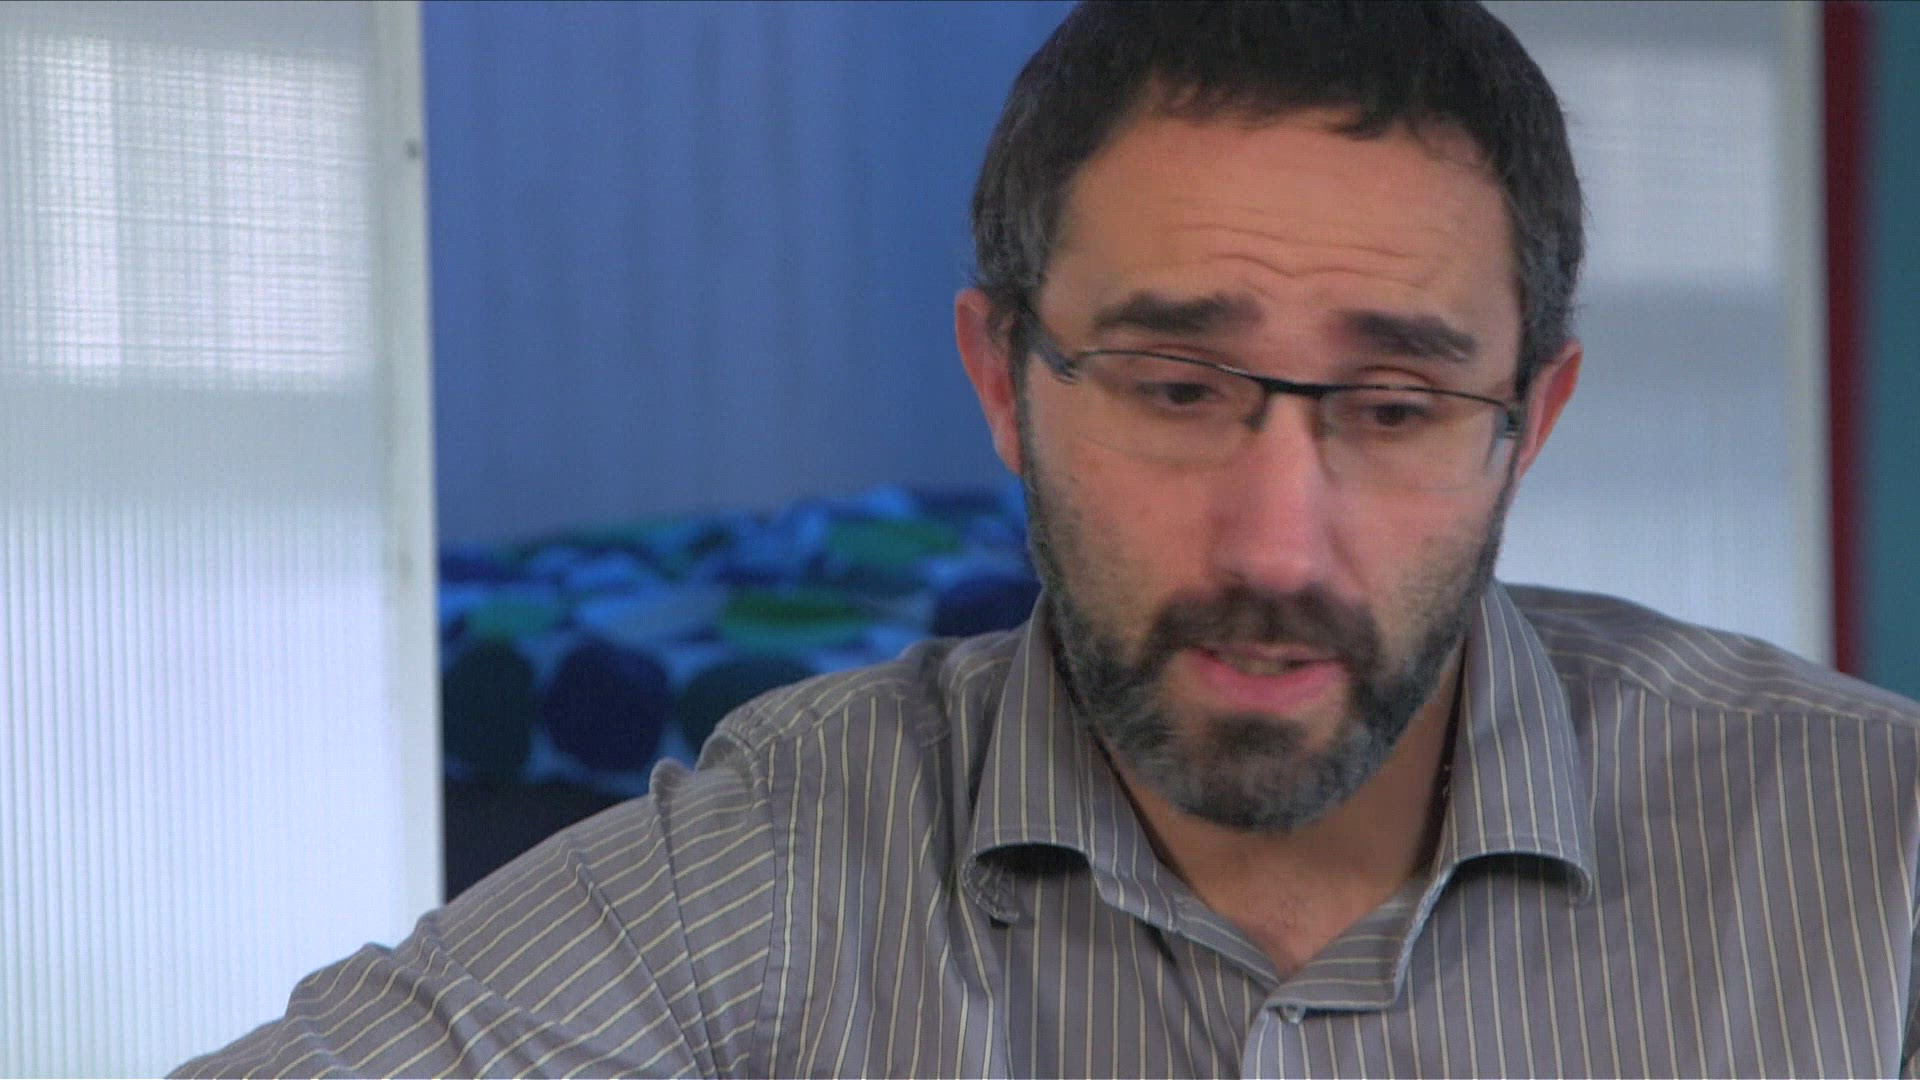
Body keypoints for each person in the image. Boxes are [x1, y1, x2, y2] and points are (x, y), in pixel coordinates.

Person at [179, 1, 1920, 1075]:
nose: (1277, 545)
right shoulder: (777, 865)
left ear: (1529, 423)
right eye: (1174, 388)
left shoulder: (1875, 858)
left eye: (1395, 408)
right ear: (1003, 381)